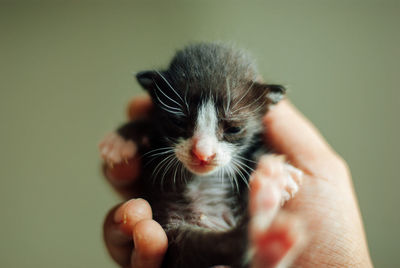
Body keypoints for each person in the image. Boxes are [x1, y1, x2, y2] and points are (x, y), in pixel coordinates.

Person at [101, 95, 373, 268]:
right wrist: (131, 133)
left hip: (236, 225)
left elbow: (258, 150)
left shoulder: (255, 143)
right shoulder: (157, 127)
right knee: (176, 242)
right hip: (186, 233)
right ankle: (251, 245)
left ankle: (251, 245)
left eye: (231, 129)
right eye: (180, 124)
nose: (203, 153)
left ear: (265, 102)